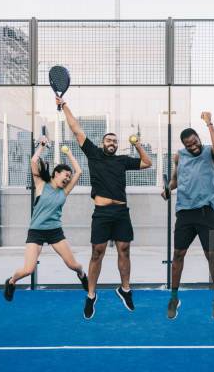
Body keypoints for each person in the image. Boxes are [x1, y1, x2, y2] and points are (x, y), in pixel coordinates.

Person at [57, 96, 152, 319]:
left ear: (117, 145)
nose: (111, 143)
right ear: (102, 144)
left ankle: (125, 289)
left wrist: (137, 144)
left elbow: (147, 163)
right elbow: (76, 129)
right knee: (97, 253)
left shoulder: (122, 160)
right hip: (101, 213)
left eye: (114, 141)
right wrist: (65, 106)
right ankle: (91, 295)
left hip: (121, 212)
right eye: (108, 140)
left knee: (124, 250)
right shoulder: (94, 154)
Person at [3, 136, 88, 301]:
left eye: (69, 177)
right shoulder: (41, 184)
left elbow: (80, 172)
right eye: (65, 175)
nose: (68, 178)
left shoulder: (65, 191)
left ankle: (82, 274)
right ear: (56, 174)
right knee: (28, 269)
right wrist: (41, 146)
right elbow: (34, 161)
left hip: (55, 232)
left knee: (73, 265)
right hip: (36, 231)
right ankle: (11, 282)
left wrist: (69, 153)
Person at [163, 112, 214, 319]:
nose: (193, 146)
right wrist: (167, 190)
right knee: (178, 255)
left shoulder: (209, 152)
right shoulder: (179, 156)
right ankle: (174, 297)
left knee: (211, 256)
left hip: (207, 213)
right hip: (184, 214)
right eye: (188, 144)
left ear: (199, 138)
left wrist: (209, 123)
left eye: (194, 142)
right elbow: (175, 180)